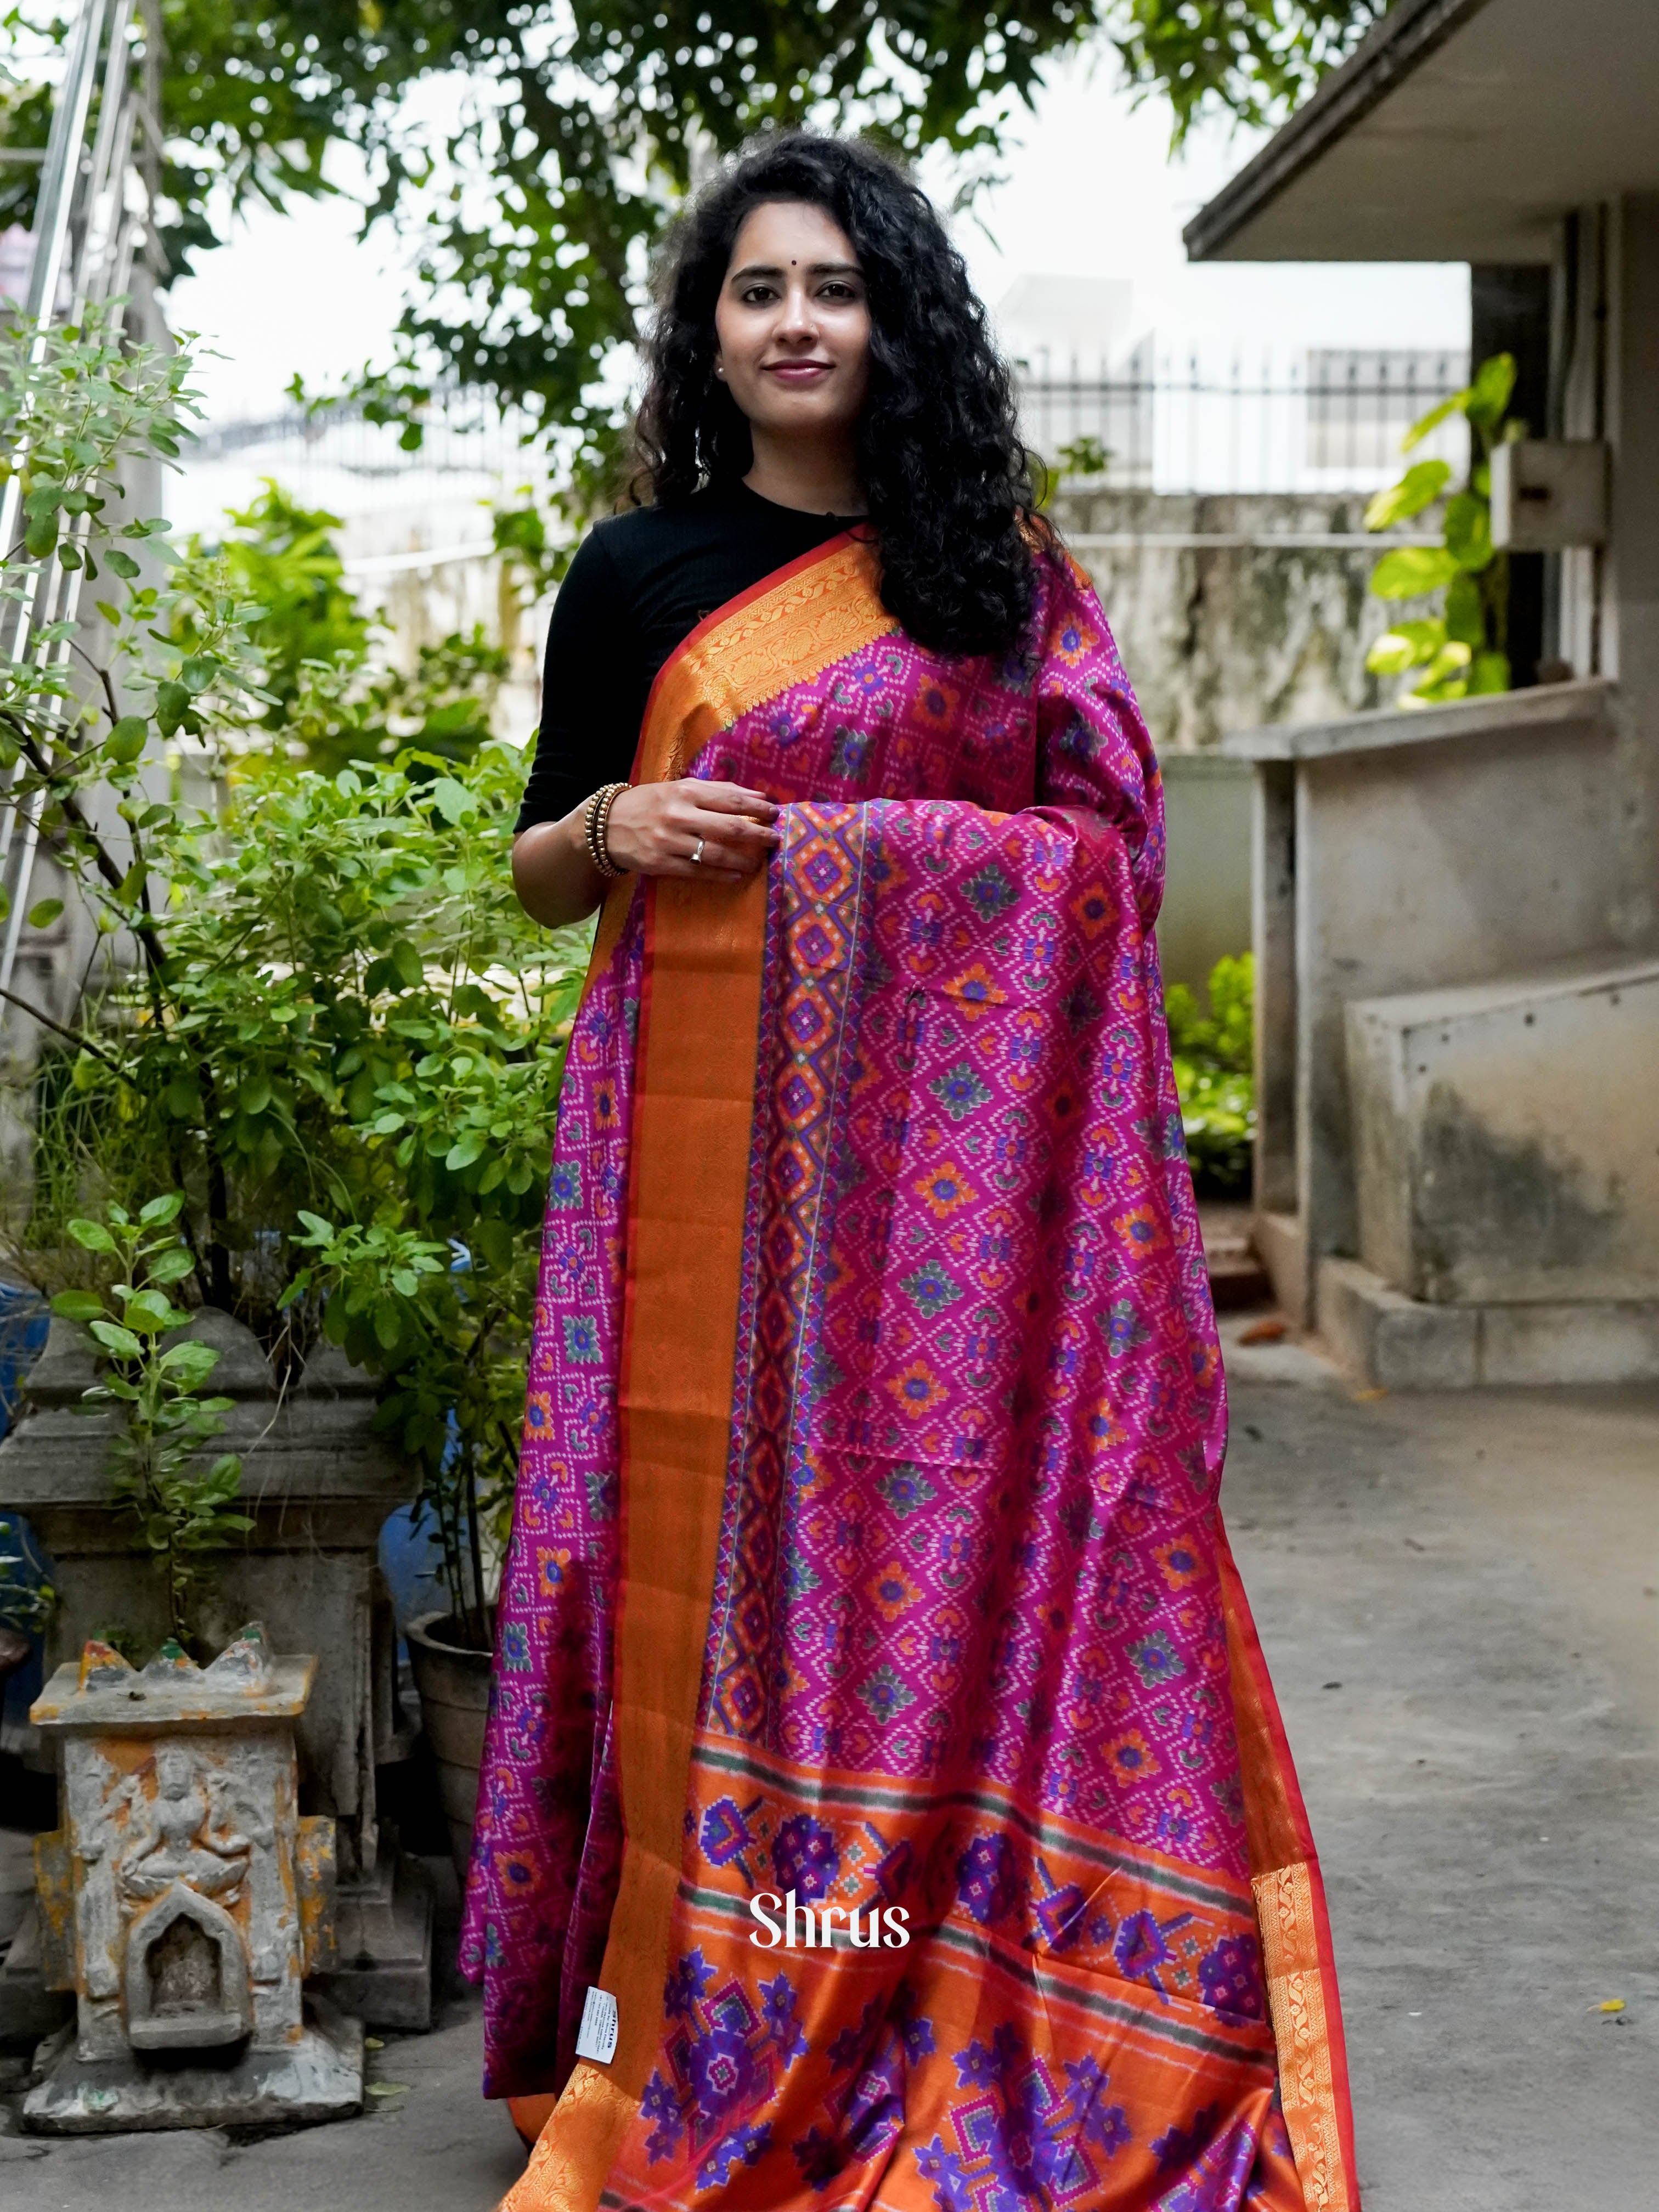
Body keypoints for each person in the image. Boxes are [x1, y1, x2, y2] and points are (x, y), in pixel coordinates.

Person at [461, 132, 1358, 2212]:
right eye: (759, 290)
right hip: (696, 1182)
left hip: (972, 1232)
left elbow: (1107, 860)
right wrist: (616, 827)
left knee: (963, 1557)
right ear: (711, 330)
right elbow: (530, 868)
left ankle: (971, 1996)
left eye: (836, 290)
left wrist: (880, 873)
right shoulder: (643, 574)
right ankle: (695, 2016)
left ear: (896, 324)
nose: (795, 324)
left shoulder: (995, 575)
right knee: (685, 1567)